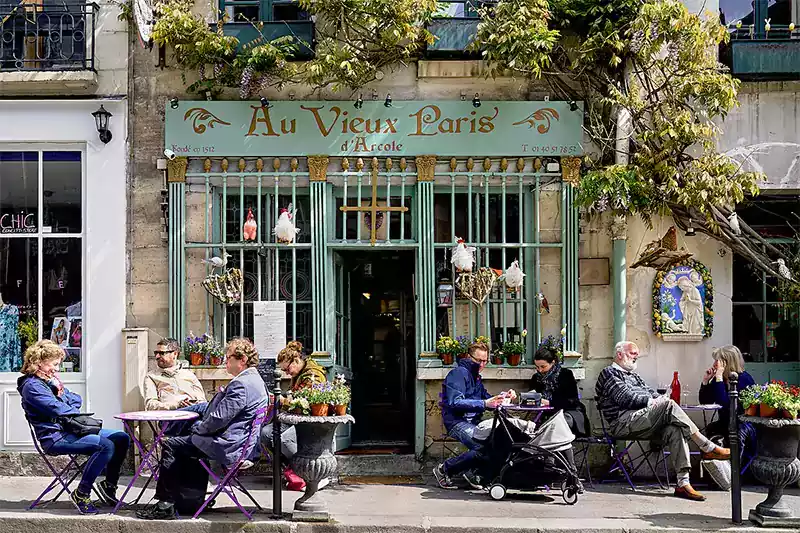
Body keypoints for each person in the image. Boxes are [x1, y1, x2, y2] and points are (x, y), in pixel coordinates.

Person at [137, 337, 268, 520]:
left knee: (171, 445)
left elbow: (217, 420)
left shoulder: (241, 384)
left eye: (228, 357)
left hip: (230, 446)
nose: (225, 361)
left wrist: (197, 429)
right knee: (185, 442)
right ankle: (190, 499)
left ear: (242, 360)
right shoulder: (255, 380)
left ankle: (165, 504)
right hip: (239, 442)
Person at [595, 341, 731, 501]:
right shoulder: (609, 373)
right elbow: (626, 398)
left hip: (643, 421)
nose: (636, 356)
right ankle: (707, 446)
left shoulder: (634, 376)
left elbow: (650, 392)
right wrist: (656, 402)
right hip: (622, 422)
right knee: (669, 405)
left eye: (637, 354)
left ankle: (683, 483)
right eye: (632, 353)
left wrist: (658, 399)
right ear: (619, 354)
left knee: (675, 428)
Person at [18, 340, 130, 515]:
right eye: (54, 364)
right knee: (105, 446)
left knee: (121, 437)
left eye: (58, 365)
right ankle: (82, 493)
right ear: (39, 362)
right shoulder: (31, 386)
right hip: (54, 437)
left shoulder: (49, 382)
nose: (56, 369)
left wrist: (61, 395)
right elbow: (59, 409)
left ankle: (108, 486)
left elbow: (76, 400)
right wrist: (61, 397)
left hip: (71, 430)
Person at [433, 342, 516, 490]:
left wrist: (503, 397)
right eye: (478, 360)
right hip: (456, 422)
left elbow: (486, 397)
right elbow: (455, 401)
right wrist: (485, 404)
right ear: (468, 357)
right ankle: (444, 469)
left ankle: (474, 473)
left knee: (496, 440)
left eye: (485, 361)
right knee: (482, 446)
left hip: (474, 421)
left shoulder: (476, 376)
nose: (482, 364)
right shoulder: (458, 373)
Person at [261, 340, 328, 491]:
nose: (286, 373)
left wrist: (281, 400)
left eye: (287, 368)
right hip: (294, 418)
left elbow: (305, 406)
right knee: (265, 433)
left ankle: (312, 473)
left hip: (309, 422)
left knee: (284, 440)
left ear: (296, 360)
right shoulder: (298, 373)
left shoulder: (313, 375)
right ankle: (292, 469)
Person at [699, 345, 756, 458]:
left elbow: (726, 404)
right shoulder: (720, 379)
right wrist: (706, 381)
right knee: (710, 430)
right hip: (726, 423)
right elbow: (705, 401)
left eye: (717, 361)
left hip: (742, 424)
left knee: (736, 434)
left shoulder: (744, 379)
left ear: (727, 362)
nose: (715, 363)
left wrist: (719, 377)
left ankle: (735, 470)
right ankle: (716, 468)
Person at [144, 337, 208, 435]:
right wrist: (176, 404)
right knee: (206, 408)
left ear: (175, 354)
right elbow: (150, 406)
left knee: (200, 424)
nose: (157, 356)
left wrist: (192, 404)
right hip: (170, 420)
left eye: (162, 353)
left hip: (192, 416)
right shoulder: (152, 376)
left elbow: (201, 400)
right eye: (156, 353)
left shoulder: (189, 375)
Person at [530, 346, 589, 437]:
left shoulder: (565, 375)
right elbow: (531, 396)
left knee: (556, 426)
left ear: (552, 362)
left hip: (569, 413)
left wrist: (550, 403)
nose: (540, 370)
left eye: (543, 366)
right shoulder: (535, 378)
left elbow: (572, 401)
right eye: (537, 367)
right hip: (545, 415)